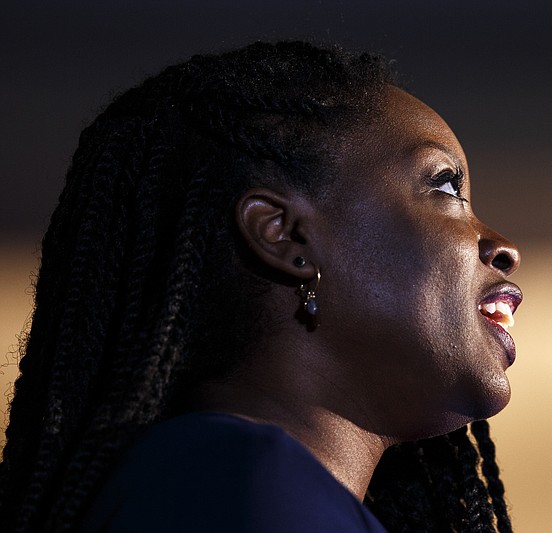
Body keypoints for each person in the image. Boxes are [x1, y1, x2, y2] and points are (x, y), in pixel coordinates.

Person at [0, 41, 522, 532]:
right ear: (285, 235)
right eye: (447, 186)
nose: (503, 247)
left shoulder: (220, 483)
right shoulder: (246, 483)